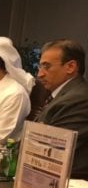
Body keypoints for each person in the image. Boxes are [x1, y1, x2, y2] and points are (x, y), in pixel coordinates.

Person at [35, 39, 88, 178]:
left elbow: (53, 151)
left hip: (66, 181)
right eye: (40, 67)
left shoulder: (78, 99)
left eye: (47, 67)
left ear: (70, 67)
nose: (40, 74)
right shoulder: (62, 96)